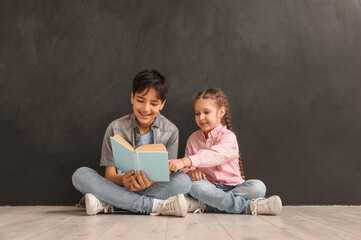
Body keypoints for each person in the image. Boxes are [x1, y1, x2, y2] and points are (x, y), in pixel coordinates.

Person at [72, 70, 191, 217]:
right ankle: (153, 206)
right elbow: (110, 176)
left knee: (184, 181)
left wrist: (149, 183)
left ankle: (109, 202)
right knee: (80, 174)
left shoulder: (171, 131)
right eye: (140, 100)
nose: (146, 109)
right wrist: (123, 181)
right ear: (132, 98)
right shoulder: (115, 127)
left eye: (153, 103)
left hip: (149, 187)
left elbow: (165, 174)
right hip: (119, 185)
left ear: (162, 104)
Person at [169, 88, 282, 215]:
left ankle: (205, 205)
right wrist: (191, 172)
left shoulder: (228, 136)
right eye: (197, 113)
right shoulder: (193, 139)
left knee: (258, 187)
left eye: (206, 112)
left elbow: (216, 154)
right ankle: (249, 207)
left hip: (234, 187)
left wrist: (186, 161)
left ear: (221, 112)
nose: (201, 117)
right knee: (194, 186)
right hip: (208, 186)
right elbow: (185, 171)